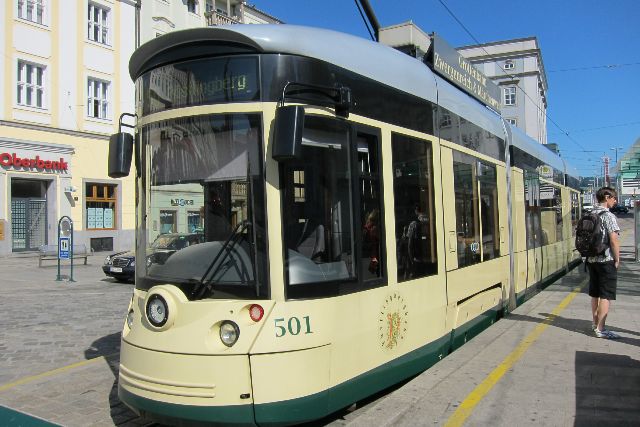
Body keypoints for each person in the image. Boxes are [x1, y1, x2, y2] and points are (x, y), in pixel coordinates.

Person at [587, 186, 621, 339]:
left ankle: (595, 324)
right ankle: (601, 329)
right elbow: (613, 240)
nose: (615, 201)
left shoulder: (590, 213)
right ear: (607, 197)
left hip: (592, 260)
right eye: (614, 198)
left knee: (595, 294)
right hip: (606, 260)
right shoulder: (609, 216)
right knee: (605, 295)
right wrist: (617, 258)